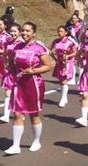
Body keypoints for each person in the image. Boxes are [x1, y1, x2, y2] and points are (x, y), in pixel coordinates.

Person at [5, 22, 52, 154]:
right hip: (19, 84)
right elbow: (11, 63)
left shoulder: (39, 48)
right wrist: (15, 75)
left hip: (34, 84)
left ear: (33, 33)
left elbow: (48, 66)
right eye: (23, 31)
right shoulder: (16, 47)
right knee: (17, 114)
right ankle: (15, 146)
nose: (24, 33)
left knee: (33, 114)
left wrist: (34, 71)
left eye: (28, 31)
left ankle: (36, 141)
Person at [0, 22, 23, 123]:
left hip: (19, 71)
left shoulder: (22, 43)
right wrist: (5, 64)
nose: (12, 33)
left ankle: (21, 112)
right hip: (9, 71)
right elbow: (4, 55)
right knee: (8, 93)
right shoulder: (8, 43)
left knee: (19, 94)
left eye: (15, 31)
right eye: (11, 31)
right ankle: (6, 115)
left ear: (19, 32)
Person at [50, 25, 78, 108]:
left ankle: (62, 98)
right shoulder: (55, 41)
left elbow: (75, 52)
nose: (59, 33)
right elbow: (51, 51)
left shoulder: (70, 42)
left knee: (64, 81)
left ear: (65, 33)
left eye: (61, 31)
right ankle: (64, 97)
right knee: (60, 80)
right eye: (58, 31)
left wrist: (68, 56)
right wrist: (55, 59)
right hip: (59, 63)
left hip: (67, 63)